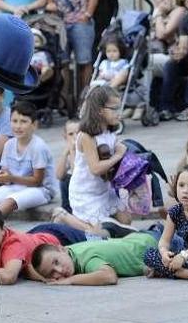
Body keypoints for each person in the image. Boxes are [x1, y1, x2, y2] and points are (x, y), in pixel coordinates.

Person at [54, 86, 149, 236]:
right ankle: (63, 216)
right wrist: (117, 155)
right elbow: (96, 168)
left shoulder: (110, 132)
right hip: (86, 192)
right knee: (98, 233)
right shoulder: (87, 136)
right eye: (114, 109)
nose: (119, 113)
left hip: (103, 189)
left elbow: (115, 159)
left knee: (126, 221)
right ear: (99, 110)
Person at [0, 205, 70, 285]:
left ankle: (63, 217)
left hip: (59, 236)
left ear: (3, 230)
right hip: (32, 236)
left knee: (86, 235)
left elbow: (8, 276)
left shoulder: (13, 243)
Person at [32, 231, 160, 285]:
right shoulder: (69, 251)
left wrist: (70, 280)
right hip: (139, 238)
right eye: (52, 273)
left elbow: (109, 277)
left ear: (61, 249)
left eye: (56, 262)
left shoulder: (85, 259)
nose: (59, 270)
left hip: (159, 244)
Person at [57, 119, 79, 213]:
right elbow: (59, 175)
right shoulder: (69, 150)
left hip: (85, 188)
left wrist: (73, 151)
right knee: (64, 179)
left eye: (78, 133)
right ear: (65, 136)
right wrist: (65, 153)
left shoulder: (86, 150)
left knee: (69, 179)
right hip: (74, 192)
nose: (75, 137)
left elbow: (77, 175)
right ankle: (67, 209)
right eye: (71, 134)